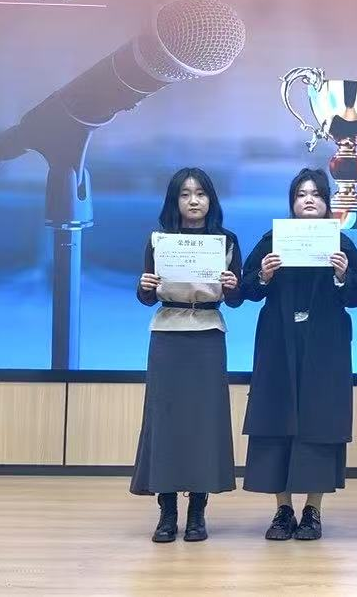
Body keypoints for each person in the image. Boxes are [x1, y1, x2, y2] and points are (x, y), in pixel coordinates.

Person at [240, 168, 357, 541]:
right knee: (275, 417)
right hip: (278, 342)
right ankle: (282, 510)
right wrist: (263, 275)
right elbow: (246, 289)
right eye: (301, 194)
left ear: (327, 202)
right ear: (292, 203)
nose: (308, 200)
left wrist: (342, 276)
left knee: (320, 421)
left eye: (316, 194)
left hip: (325, 344)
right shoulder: (273, 240)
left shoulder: (340, 243)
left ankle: (313, 510)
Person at [130, 167, 244, 543]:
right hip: (167, 334)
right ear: (174, 200)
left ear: (211, 199)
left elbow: (237, 300)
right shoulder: (159, 240)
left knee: (203, 422)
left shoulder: (226, 240)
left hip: (208, 334)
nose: (194, 201)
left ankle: (197, 510)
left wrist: (233, 286)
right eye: (185, 194)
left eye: (200, 193)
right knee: (165, 421)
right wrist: (144, 286)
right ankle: (166, 512)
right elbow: (147, 297)